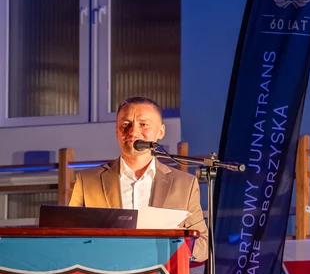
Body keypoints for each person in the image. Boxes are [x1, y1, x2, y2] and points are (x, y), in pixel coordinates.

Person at [69, 96, 209, 262]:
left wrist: (177, 240)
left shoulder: (184, 184)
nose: (133, 131)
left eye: (143, 124)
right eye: (126, 124)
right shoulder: (88, 180)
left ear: (160, 131)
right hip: (105, 273)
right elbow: (68, 238)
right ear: (117, 130)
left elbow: (203, 246)